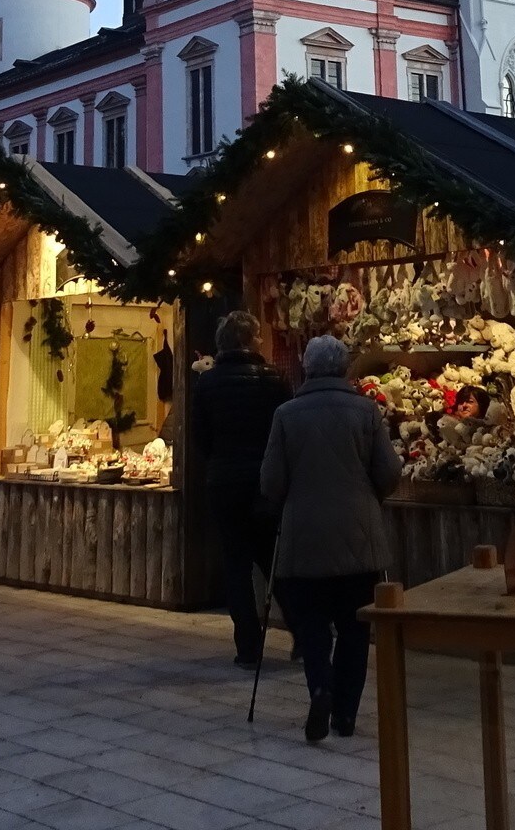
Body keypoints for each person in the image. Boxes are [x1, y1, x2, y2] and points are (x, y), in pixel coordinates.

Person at [259, 334, 402, 743]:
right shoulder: (366, 411)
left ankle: (320, 687)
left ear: (307, 367)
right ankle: (345, 715)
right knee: (355, 630)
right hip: (359, 538)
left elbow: (270, 480)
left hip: (304, 537)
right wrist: (369, 496)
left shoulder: (286, 414)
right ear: (344, 368)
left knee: (313, 626)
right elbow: (389, 471)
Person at [192, 311, 290, 667]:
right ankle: (302, 631)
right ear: (248, 340)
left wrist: (220, 462)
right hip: (263, 481)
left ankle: (248, 647)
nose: (262, 342)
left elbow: (201, 436)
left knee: (236, 564)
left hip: (223, 481)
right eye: (259, 337)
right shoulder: (273, 379)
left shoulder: (207, 383)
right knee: (271, 557)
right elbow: (283, 435)